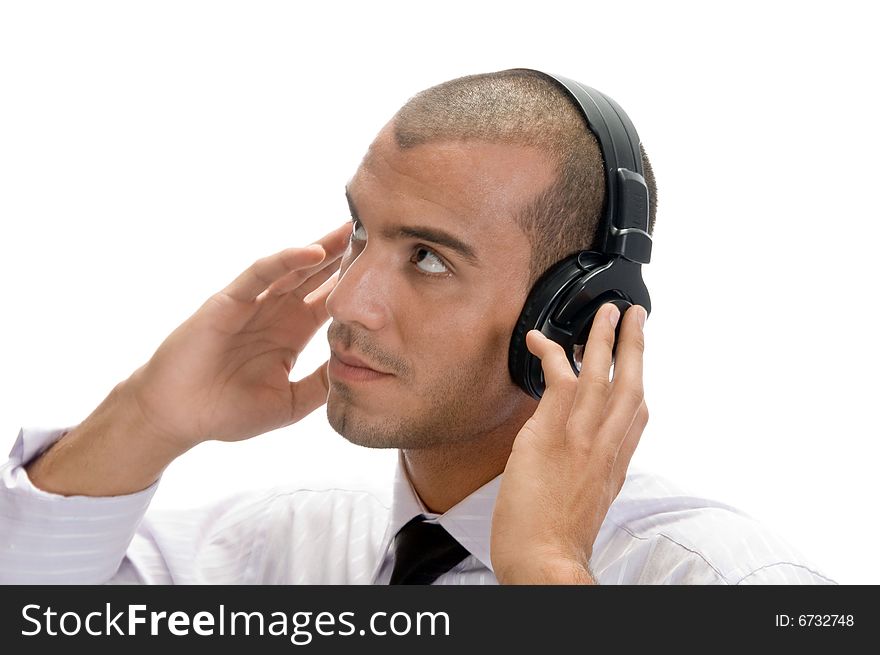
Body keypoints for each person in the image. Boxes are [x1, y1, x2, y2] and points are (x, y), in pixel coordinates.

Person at [0, 69, 835, 585]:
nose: (345, 300)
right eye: (361, 232)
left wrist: (545, 574)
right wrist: (148, 416)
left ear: (575, 312)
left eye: (429, 256)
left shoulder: (731, 581)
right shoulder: (263, 551)